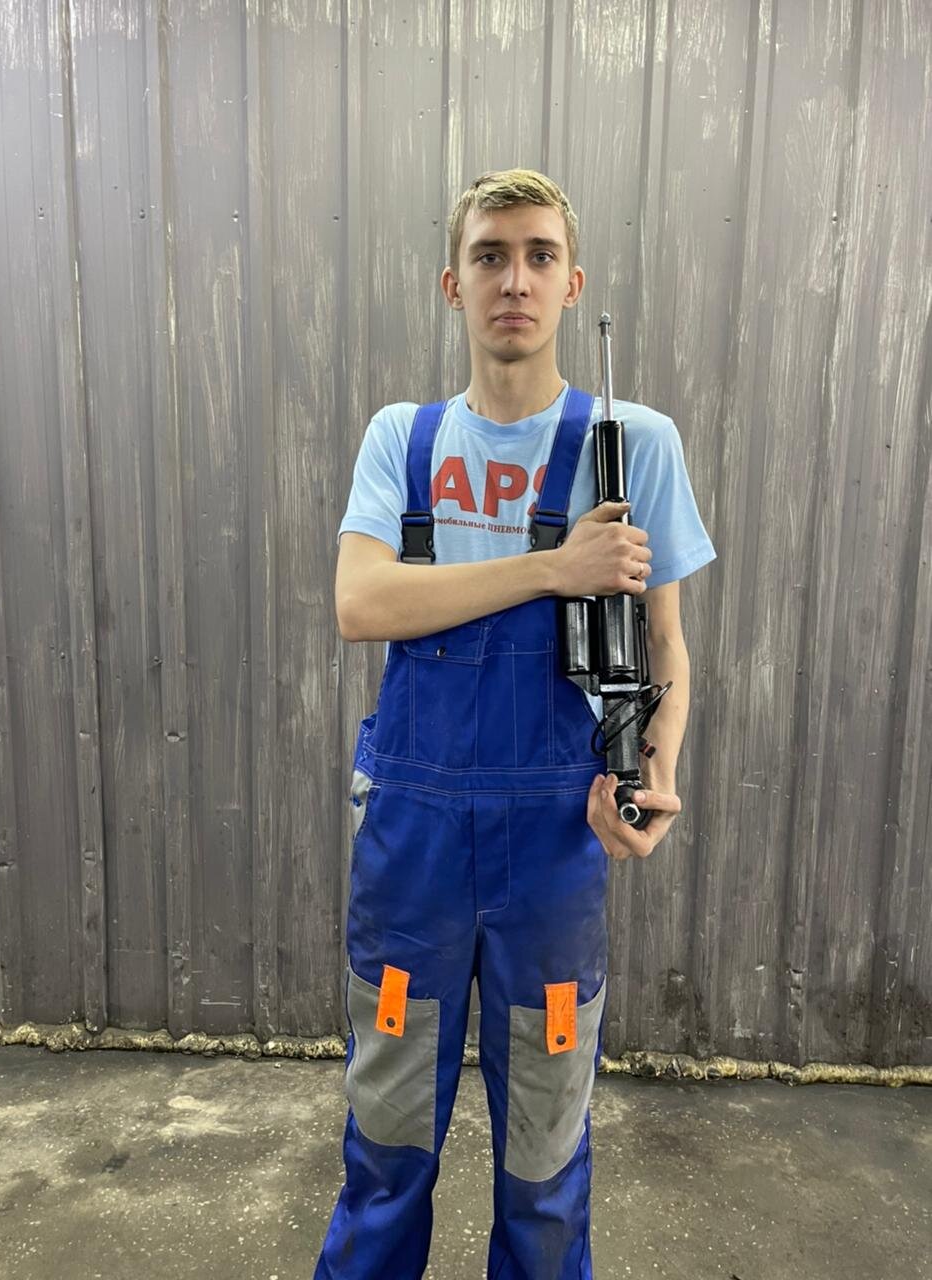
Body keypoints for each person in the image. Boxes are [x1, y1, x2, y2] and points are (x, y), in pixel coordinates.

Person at [314, 168, 716, 1279]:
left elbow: (666, 646)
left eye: (540, 256)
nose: (515, 280)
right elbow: (361, 603)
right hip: (413, 844)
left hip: (553, 840)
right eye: (489, 255)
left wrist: (654, 773)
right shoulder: (403, 438)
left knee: (544, 1161)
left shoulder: (634, 443)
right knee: (386, 1145)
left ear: (571, 283)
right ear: (454, 283)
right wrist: (551, 567)